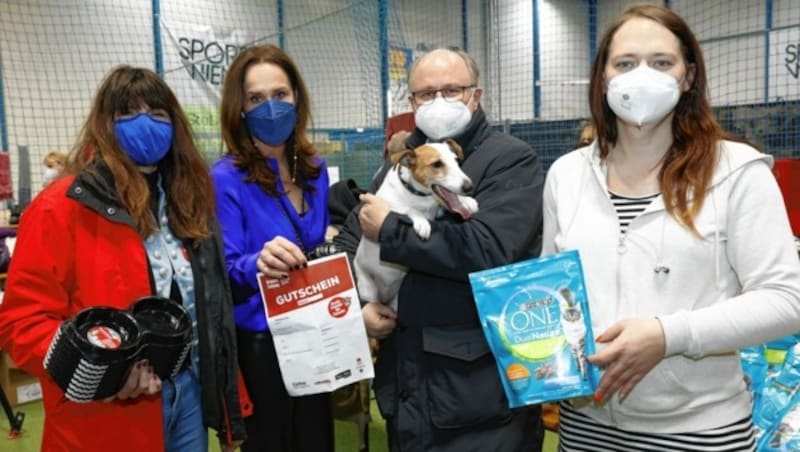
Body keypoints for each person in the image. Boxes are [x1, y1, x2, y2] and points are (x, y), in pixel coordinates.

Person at [542, 5, 800, 451]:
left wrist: (667, 335)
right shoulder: (566, 174)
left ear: (688, 77)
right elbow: (551, 287)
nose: (642, 75)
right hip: (585, 425)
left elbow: (786, 299)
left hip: (697, 431)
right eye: (625, 63)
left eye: (661, 63)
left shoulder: (737, 170)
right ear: (603, 78)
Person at [0, 66, 245, 451]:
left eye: (158, 114)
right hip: (104, 416)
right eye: (127, 114)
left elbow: (212, 311)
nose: (145, 124)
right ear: (105, 125)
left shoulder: (190, 204)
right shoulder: (58, 208)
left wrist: (229, 409)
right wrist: (102, 371)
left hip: (189, 398)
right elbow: (21, 323)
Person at [357, 48, 545, 451]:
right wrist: (361, 308)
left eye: (452, 90)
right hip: (407, 387)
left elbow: (489, 249)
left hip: (479, 394)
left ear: (475, 96)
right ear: (412, 104)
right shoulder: (399, 165)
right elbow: (355, 232)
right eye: (425, 94)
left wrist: (392, 228)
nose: (438, 101)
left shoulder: (510, 160)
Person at [211, 44, 333, 452]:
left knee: (317, 440)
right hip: (261, 343)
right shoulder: (226, 178)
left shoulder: (314, 171)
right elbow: (221, 271)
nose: (271, 106)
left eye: (280, 95)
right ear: (240, 108)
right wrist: (257, 263)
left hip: (316, 330)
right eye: (256, 98)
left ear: (297, 97)